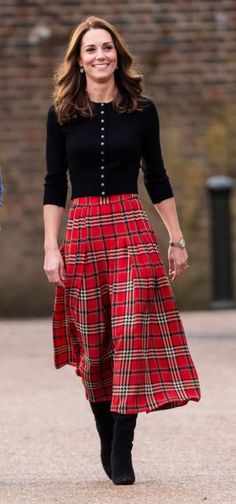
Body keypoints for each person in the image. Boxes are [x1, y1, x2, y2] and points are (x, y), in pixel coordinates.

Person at [43, 16, 201, 486]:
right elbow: (55, 185)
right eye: (90, 50)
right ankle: (105, 432)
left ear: (118, 54)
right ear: (78, 59)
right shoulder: (61, 113)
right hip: (85, 230)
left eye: (106, 48)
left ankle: (123, 444)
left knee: (131, 334)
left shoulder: (142, 109)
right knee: (94, 344)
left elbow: (158, 177)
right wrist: (52, 247)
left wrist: (175, 238)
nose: (99, 56)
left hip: (131, 228)